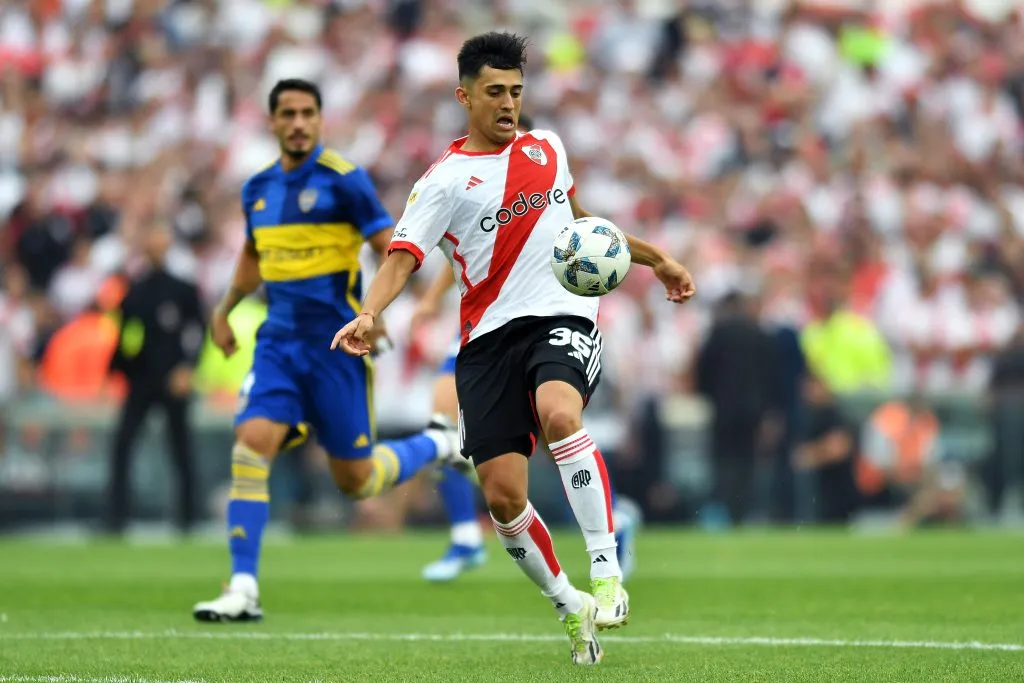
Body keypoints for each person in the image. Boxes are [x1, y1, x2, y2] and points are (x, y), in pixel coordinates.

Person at [332, 33, 695, 665]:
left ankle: (607, 570)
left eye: (517, 92)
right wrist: (369, 312)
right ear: (464, 95)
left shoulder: (549, 149)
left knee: (560, 414)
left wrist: (656, 258)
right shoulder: (442, 182)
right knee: (502, 496)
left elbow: (586, 230)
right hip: (487, 343)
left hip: (563, 319)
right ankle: (568, 602)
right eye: (495, 92)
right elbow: (401, 258)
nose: (508, 104)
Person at [192, 78, 468, 623]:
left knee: (357, 481)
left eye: (307, 113)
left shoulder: (345, 181)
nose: (298, 122)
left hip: (336, 348)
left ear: (320, 120)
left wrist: (379, 311)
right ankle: (243, 585)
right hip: (278, 343)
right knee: (251, 442)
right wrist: (224, 308)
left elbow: (391, 247)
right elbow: (252, 256)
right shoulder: (257, 190)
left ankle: (438, 442)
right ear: (271, 122)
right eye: (288, 113)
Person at [412, 264, 641, 584]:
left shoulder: (546, 214)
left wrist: (658, 260)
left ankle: (614, 521)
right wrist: (432, 298)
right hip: (480, 318)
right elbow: (462, 243)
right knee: (443, 424)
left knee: (554, 431)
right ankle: (465, 535)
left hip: (536, 314)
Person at [107, 222, 205, 535]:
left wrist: (189, 368)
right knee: (123, 444)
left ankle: (188, 518)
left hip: (174, 378)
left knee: (180, 448)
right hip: (143, 378)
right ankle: (116, 517)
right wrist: (118, 371)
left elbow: (199, 331)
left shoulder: (182, 288)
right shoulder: (135, 289)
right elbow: (125, 338)